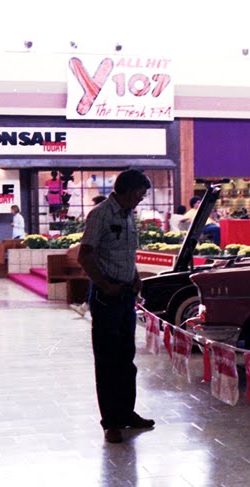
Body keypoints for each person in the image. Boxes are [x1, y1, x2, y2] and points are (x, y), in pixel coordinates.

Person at [77, 169, 155, 444]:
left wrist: (135, 278)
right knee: (108, 361)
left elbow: (127, 252)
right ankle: (111, 423)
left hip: (126, 295)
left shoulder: (128, 215)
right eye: (141, 194)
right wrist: (105, 285)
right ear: (130, 191)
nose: (141, 199)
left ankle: (126, 413)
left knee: (126, 359)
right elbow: (84, 255)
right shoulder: (101, 214)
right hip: (106, 295)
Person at [71, 195, 107, 318]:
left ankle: (85, 307)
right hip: (98, 259)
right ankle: (85, 306)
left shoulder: (99, 218)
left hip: (100, 259)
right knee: (94, 283)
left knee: (94, 282)